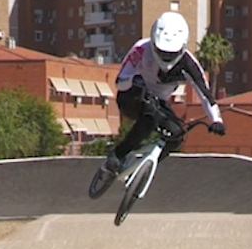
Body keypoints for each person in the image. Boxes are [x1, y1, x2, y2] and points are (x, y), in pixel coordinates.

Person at [96, 11, 226, 180]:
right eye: (162, 51)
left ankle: (144, 168)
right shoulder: (141, 49)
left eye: (171, 54)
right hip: (132, 96)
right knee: (150, 115)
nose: (166, 57)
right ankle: (118, 154)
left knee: (177, 136)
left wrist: (217, 120)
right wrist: (133, 82)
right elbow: (120, 81)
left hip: (159, 102)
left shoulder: (189, 63)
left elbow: (205, 95)